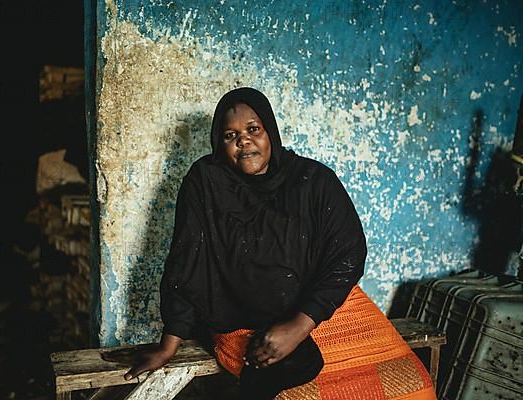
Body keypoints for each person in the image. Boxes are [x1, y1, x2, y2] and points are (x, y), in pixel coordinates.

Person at [124, 88, 435, 400]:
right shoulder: (206, 182)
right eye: (230, 134)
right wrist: (168, 346)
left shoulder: (312, 180)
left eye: (253, 129)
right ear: (219, 143)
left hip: (317, 309)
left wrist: (300, 325)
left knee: (411, 387)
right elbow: (186, 262)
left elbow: (348, 252)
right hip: (241, 322)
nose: (243, 140)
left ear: (270, 131)